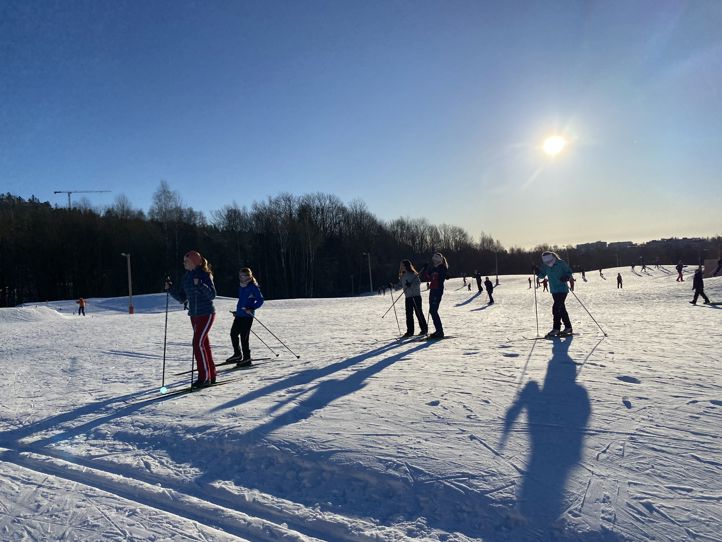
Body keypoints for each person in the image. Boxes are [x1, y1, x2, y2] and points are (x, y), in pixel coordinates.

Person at [166, 250, 217, 388]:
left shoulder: (204, 275)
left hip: (206, 313)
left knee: (197, 344)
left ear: (194, 262)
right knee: (203, 344)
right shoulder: (186, 277)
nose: (184, 263)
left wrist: (200, 284)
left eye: (186, 261)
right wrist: (170, 290)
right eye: (184, 261)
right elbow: (182, 298)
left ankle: (204, 377)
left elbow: (212, 295)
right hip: (194, 315)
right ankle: (211, 376)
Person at [228, 267, 264, 366]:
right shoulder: (242, 287)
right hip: (240, 315)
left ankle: (247, 358)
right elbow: (242, 301)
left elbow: (260, 300)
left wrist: (252, 308)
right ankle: (237, 354)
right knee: (233, 334)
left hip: (248, 316)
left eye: (243, 276)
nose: (241, 277)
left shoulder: (253, 287)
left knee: (244, 337)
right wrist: (237, 311)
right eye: (240, 276)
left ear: (248, 276)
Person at [534, 251, 574, 338]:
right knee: (561, 308)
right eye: (546, 262)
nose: (548, 263)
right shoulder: (545, 266)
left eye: (549, 261)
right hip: (554, 290)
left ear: (553, 257)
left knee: (556, 308)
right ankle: (568, 327)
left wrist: (566, 276)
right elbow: (541, 275)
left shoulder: (561, 263)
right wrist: (537, 271)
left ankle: (556, 328)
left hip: (562, 289)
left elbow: (569, 272)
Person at [399, 260, 428, 337]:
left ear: (406, 266)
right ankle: (410, 331)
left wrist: (411, 285)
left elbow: (418, 283)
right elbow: (400, 285)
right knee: (409, 314)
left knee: (418, 313)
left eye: (402, 265)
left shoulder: (413, 274)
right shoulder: (402, 275)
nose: (401, 267)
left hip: (415, 296)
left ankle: (424, 329)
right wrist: (392, 285)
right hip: (408, 297)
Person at [423, 253, 448, 339]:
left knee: (433, 311)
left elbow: (440, 279)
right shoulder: (434, 268)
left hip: (437, 291)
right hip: (433, 290)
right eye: (433, 260)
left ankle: (440, 332)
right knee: (432, 311)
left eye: (435, 260)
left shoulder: (442, 268)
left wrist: (434, 275)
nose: (433, 261)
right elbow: (427, 278)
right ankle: (438, 331)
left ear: (439, 260)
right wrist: (425, 269)